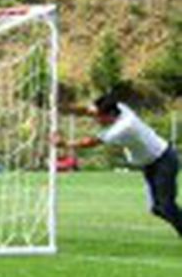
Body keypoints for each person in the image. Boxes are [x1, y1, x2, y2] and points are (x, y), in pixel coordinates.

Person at [55, 94, 181, 237]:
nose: (96, 120)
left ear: (111, 115)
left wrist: (64, 144)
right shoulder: (119, 108)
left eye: (99, 117)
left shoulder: (124, 127)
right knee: (156, 209)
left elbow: (91, 142)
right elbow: (87, 110)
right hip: (150, 164)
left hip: (163, 161)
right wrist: (63, 109)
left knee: (166, 205)